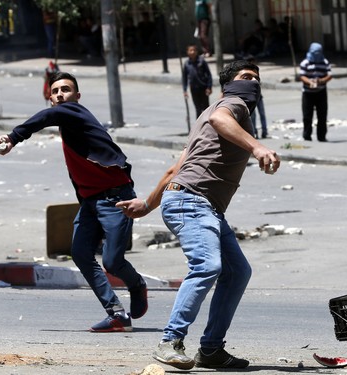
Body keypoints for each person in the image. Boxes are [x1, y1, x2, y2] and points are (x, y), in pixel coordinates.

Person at [116, 60, 281, 370]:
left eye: (257, 79)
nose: (254, 84)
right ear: (228, 85)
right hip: (192, 201)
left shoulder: (205, 117)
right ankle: (170, 342)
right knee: (207, 265)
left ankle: (211, 349)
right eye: (246, 77)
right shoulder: (230, 107)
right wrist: (258, 148)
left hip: (196, 203)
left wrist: (147, 206)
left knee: (237, 273)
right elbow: (221, 118)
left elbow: (175, 169)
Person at [0, 72, 148, 333]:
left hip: (116, 198)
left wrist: (13, 137)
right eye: (56, 92)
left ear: (77, 96)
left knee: (112, 262)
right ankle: (116, 313)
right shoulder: (67, 125)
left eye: (66, 89)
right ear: (50, 98)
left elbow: (47, 117)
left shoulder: (76, 112)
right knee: (81, 254)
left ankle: (137, 284)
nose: (61, 94)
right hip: (90, 202)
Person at [299, 42, 332, 142]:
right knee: (307, 115)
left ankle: (321, 136)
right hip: (308, 93)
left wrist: (321, 81)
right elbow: (302, 76)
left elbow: (329, 75)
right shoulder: (305, 63)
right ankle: (307, 136)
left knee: (322, 115)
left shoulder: (325, 62)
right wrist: (309, 82)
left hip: (321, 91)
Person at [182, 45, 213, 119]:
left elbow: (209, 75)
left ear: (196, 52)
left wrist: (209, 87)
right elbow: (184, 78)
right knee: (198, 108)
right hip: (194, 89)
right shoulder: (187, 64)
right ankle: (199, 126)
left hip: (203, 87)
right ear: (187, 52)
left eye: (194, 50)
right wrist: (185, 90)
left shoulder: (201, 61)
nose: (192, 52)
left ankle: (208, 124)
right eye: (190, 50)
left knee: (206, 108)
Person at [247, 57, 268, 138]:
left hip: (259, 97)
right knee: (253, 116)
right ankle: (254, 132)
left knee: (262, 114)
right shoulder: (247, 74)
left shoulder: (256, 72)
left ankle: (264, 131)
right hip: (251, 97)